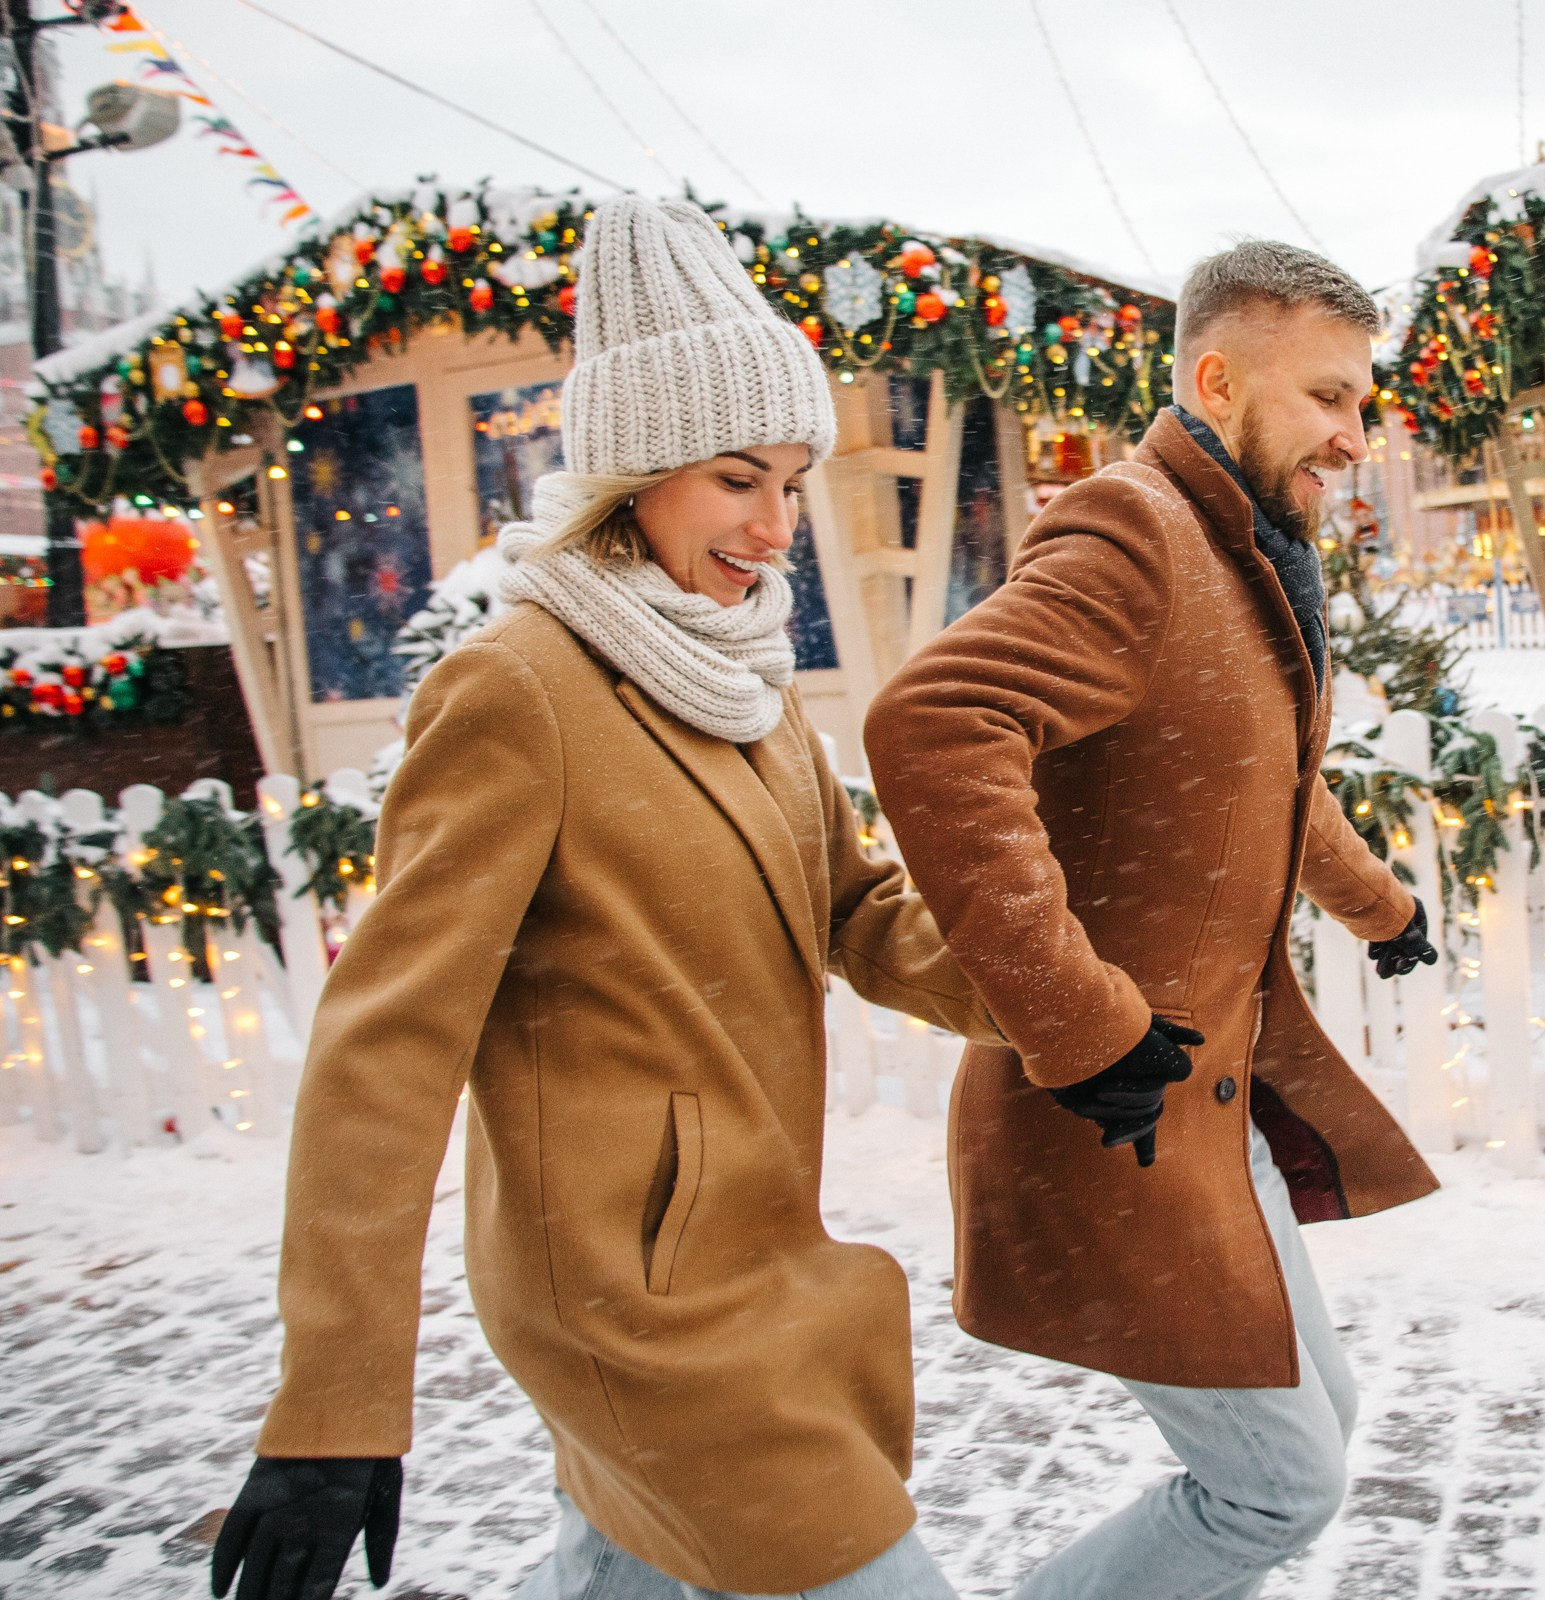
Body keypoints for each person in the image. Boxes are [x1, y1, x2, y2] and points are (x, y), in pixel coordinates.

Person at [208, 195, 995, 1600]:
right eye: (737, 480)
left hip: (759, 1258)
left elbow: (859, 912)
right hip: (635, 1304)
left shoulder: (745, 681)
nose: (776, 526)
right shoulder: (520, 689)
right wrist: (334, 1408)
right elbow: (386, 1046)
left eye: (795, 483)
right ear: (634, 476)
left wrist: (1070, 984)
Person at [863, 239, 1444, 1599]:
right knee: (1276, 1489)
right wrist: (1075, 1018)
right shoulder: (1136, 531)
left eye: (1362, 403)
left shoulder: (1241, 553)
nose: (1355, 437)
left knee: (1319, 1435)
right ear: (1216, 375)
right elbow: (936, 725)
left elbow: (1265, 781)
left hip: (1214, 1111)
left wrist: (1384, 907)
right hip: (1116, 1109)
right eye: (1327, 399)